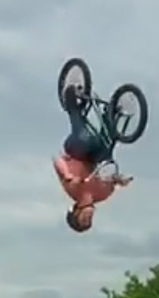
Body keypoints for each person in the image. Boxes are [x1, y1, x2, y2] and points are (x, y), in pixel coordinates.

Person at [53, 84, 133, 233]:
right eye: (89, 221)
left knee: (85, 139)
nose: (89, 217)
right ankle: (110, 114)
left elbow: (57, 161)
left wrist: (67, 175)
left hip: (75, 150)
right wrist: (119, 180)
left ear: (76, 211)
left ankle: (72, 104)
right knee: (106, 149)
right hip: (92, 157)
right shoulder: (103, 194)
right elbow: (111, 179)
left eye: (84, 219)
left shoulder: (73, 190)